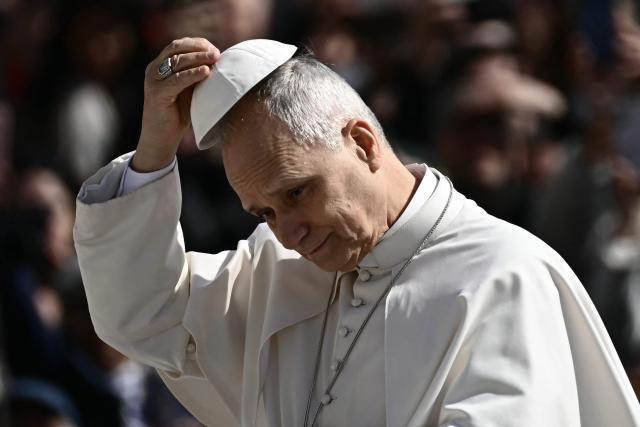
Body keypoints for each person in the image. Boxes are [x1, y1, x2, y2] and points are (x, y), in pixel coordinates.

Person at [73, 37, 640, 426]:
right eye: (262, 213)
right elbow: (142, 315)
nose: (288, 232)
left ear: (363, 143)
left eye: (296, 192)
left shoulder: (504, 274)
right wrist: (152, 154)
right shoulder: (279, 272)